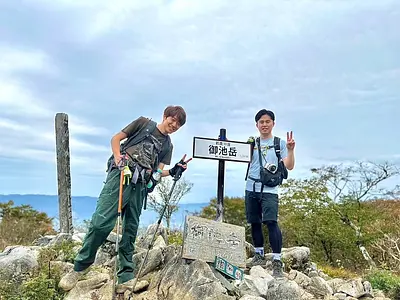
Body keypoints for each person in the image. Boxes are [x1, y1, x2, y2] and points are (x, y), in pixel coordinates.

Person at [59, 105, 191, 293]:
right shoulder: (143, 123)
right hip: (121, 176)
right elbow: (116, 138)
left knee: (130, 230)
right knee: (101, 223)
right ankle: (80, 267)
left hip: (140, 185)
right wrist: (118, 157)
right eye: (173, 120)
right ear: (165, 116)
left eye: (178, 125)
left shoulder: (168, 145)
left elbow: (157, 172)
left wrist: (174, 170)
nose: (174, 125)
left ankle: (125, 277)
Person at [244, 109, 295, 277]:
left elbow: (289, 165)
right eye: (261, 122)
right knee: (254, 222)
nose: (264, 124)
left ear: (273, 123)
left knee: (271, 222)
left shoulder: (279, 143)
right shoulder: (252, 143)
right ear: (257, 124)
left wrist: (290, 149)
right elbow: (239, 155)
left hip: (270, 189)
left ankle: (277, 260)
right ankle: (258, 254)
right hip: (251, 186)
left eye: (267, 121)